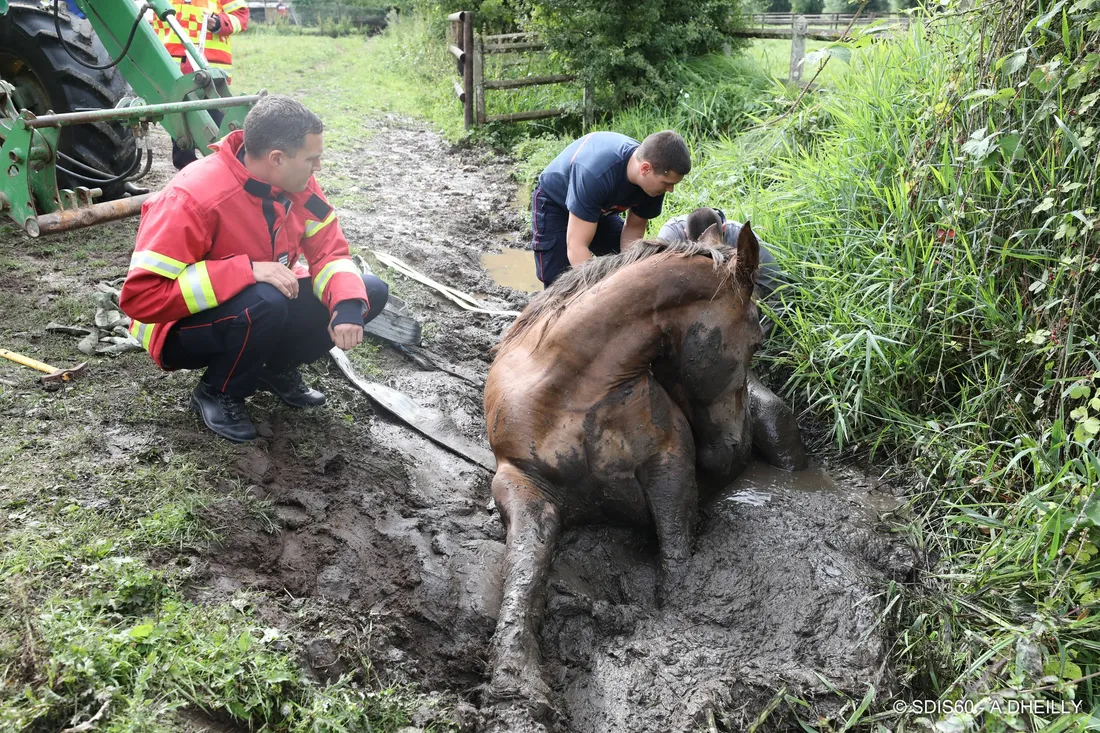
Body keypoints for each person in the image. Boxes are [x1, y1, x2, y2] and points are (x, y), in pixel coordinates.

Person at [119, 95, 389, 443]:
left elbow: (330, 252)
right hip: (176, 330)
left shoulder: (298, 184)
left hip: (256, 302)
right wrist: (246, 271)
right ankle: (219, 391)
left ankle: (274, 369)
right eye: (312, 159)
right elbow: (142, 298)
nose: (318, 168)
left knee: (369, 290)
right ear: (277, 158)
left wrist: (348, 305)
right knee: (266, 300)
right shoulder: (193, 196)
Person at [530, 130, 690, 288]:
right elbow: (576, 246)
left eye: (673, 184)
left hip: (598, 209)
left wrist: (628, 280)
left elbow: (633, 231)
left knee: (620, 260)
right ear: (645, 169)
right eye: (667, 183)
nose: (670, 190)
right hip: (555, 204)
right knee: (560, 281)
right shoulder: (596, 175)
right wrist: (598, 291)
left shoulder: (654, 185)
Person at [150, 0, 250, 169]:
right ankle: (189, 172)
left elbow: (241, 17)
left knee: (217, 126)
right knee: (180, 124)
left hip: (210, 70)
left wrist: (218, 22)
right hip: (173, 69)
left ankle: (223, 168)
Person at [659, 207, 787, 334]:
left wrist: (761, 332)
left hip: (731, 298)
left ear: (724, 228)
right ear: (685, 234)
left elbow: (775, 288)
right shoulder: (670, 237)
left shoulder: (741, 237)